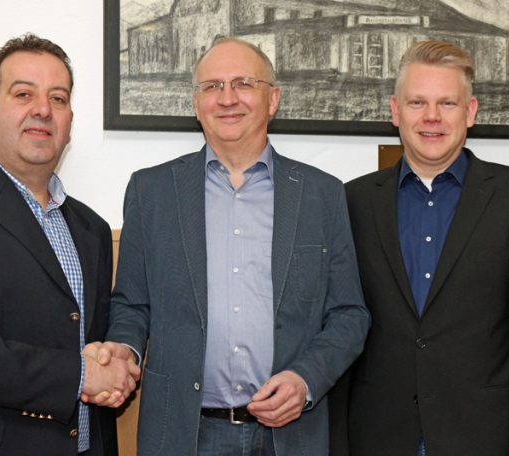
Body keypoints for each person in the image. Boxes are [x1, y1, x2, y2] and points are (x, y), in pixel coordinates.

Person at [87, 37, 370, 455]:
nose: (227, 98)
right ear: (196, 103)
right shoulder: (152, 191)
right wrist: (124, 351)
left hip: (291, 436)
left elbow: (349, 315)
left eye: (243, 83)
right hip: (185, 435)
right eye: (212, 86)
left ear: (273, 99)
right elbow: (132, 304)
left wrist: (306, 379)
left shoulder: (321, 195)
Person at [329, 39, 509, 455]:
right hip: (378, 437)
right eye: (417, 102)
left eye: (447, 103)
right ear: (395, 111)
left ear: (470, 112)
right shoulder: (351, 202)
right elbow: (340, 329)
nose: (432, 117)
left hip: (483, 438)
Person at [0, 34, 139, 455]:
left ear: (69, 122)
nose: (43, 109)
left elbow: (89, 345)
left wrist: (112, 362)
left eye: (58, 98)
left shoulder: (91, 228)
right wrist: (80, 375)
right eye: (24, 94)